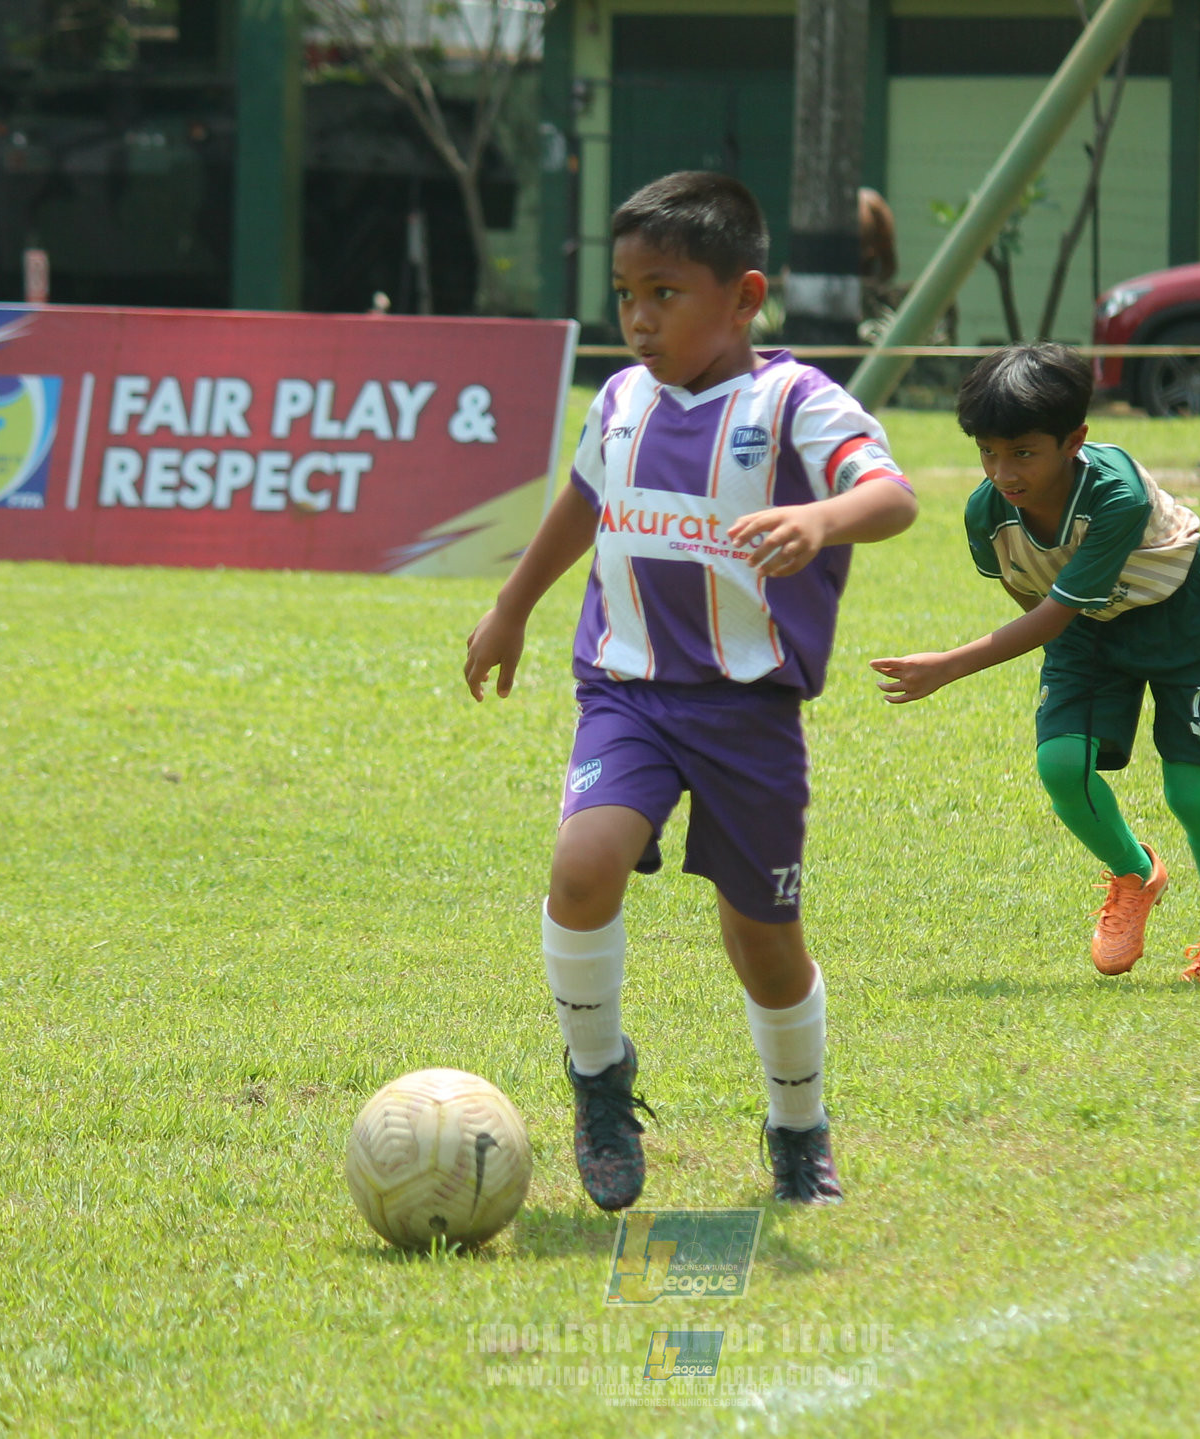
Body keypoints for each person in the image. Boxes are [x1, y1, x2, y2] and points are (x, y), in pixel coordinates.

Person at [464, 171, 916, 1209]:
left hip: (746, 713)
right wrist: (512, 605)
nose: (636, 317)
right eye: (624, 292)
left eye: (662, 292)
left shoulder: (795, 401)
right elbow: (584, 499)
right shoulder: (620, 399)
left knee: (762, 941)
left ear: (743, 296)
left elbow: (886, 494)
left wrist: (820, 520)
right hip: (625, 692)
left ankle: (798, 1128)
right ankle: (597, 1082)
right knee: (581, 868)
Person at [870, 344, 1200, 983]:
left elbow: (1050, 614)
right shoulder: (986, 512)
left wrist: (947, 666)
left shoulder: (1114, 494)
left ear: (1073, 441)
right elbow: (1032, 598)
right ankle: (1135, 873)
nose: (1003, 471)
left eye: (1023, 452)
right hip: (1085, 626)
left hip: (1184, 621)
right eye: (988, 452)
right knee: (1062, 765)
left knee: (1190, 791)